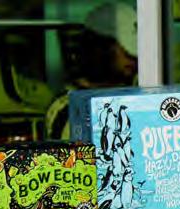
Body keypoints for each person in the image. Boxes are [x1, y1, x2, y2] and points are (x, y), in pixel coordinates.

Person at [45, 2, 137, 140]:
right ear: (100, 47)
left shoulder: (138, 94)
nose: (134, 58)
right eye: (126, 50)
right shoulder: (70, 109)